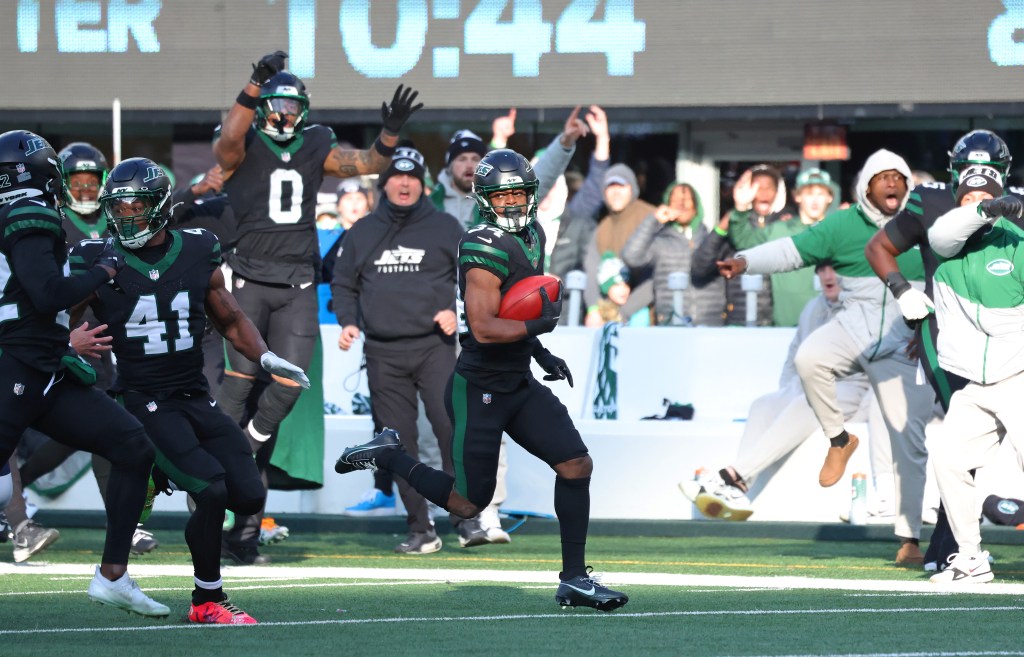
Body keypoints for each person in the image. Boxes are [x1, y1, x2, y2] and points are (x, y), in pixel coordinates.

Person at [334, 149, 629, 611]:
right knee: (469, 504)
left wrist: (541, 353)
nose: (512, 202)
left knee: (576, 465)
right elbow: (488, 326)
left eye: (519, 193)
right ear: (485, 198)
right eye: (503, 194)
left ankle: (574, 578)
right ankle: (390, 456)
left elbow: (520, 307)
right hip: (480, 387)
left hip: (518, 379)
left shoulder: (532, 232)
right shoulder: (480, 243)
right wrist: (539, 330)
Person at [69, 157, 309, 622]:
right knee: (211, 488)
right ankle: (206, 599)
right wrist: (67, 339)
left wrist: (264, 356)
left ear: (160, 207)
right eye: (117, 208)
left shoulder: (198, 248)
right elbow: (54, 313)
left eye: (135, 207)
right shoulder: (100, 258)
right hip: (142, 400)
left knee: (247, 494)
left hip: (194, 395)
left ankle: (154, 478)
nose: (125, 217)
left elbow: (231, 316)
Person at [212, 50, 421, 564]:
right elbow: (227, 144)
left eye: (291, 104)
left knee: (289, 383)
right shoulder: (247, 137)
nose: (283, 114)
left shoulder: (317, 141)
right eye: (275, 103)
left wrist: (389, 133)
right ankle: (220, 476)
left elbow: (370, 164)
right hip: (248, 279)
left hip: (297, 284)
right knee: (238, 386)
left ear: (304, 109)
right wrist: (253, 82)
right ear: (263, 105)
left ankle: (246, 450)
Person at [716, 149, 935, 566]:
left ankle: (909, 537)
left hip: (903, 338)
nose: (891, 182)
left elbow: (950, 278)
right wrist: (745, 262)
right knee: (810, 357)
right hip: (855, 323)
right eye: (881, 176)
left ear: (908, 185)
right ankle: (839, 440)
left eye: (898, 177)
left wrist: (931, 329)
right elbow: (791, 251)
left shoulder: (924, 220)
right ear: (865, 187)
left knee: (908, 438)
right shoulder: (843, 223)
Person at [0, 129, 167, 616]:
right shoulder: (28, 211)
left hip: (43, 362)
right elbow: (49, 293)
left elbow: (33, 297)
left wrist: (59, 340)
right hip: (17, 361)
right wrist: (104, 270)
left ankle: (113, 575)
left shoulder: (18, 212)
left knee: (133, 446)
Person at [863, 129, 1015, 570]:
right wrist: (903, 291)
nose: (975, 188)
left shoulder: (1017, 210)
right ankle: (958, 547)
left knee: (983, 451)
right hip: (952, 344)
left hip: (1009, 350)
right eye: (968, 176)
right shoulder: (931, 202)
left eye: (987, 178)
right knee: (960, 448)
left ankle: (956, 544)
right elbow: (886, 246)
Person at [331, 146, 465, 553]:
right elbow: (343, 284)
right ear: (384, 184)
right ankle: (420, 529)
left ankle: (466, 517)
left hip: (435, 348)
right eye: (395, 176)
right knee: (397, 442)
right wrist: (348, 320)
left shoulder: (445, 227)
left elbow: (474, 278)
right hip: (383, 353)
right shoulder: (362, 231)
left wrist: (456, 311)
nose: (403, 183)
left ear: (423, 183)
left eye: (412, 176)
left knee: (450, 430)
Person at [680, 264, 885, 519]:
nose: (828, 276)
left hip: (849, 389)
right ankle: (738, 492)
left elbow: (880, 368)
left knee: (807, 403)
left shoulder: (867, 310)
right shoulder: (812, 308)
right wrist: (786, 392)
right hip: (806, 388)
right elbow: (793, 357)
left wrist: (867, 411)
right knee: (762, 405)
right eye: (822, 270)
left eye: (835, 269)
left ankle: (732, 477)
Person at [924, 175, 1024, 583]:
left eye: (988, 195)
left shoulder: (1016, 240)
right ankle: (971, 557)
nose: (980, 203)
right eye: (969, 196)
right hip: (976, 385)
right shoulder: (944, 241)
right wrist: (984, 209)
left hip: (1019, 373)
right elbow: (944, 232)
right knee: (947, 457)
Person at [728, 169, 836, 326]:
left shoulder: (838, 231)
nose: (815, 200)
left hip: (828, 328)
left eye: (820, 194)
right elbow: (744, 240)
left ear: (829, 197)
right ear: (797, 196)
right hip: (783, 326)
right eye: (808, 193)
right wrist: (741, 206)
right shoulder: (778, 230)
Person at [691, 165, 788, 325]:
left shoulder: (786, 224)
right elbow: (699, 268)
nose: (763, 192)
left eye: (769, 187)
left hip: (778, 320)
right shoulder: (736, 224)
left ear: (777, 193)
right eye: (757, 187)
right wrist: (721, 229)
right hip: (739, 318)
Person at [621, 181, 724, 326]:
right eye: (675, 200)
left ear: (696, 207)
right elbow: (631, 256)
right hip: (671, 324)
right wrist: (653, 220)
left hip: (710, 323)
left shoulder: (711, 241)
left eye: (687, 200)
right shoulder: (659, 243)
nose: (681, 205)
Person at [583, 165, 656, 327]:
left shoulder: (650, 217)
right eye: (611, 187)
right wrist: (593, 310)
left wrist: (623, 312)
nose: (616, 192)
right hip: (612, 317)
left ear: (632, 189)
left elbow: (657, 275)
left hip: (649, 316)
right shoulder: (602, 228)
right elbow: (592, 270)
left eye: (621, 186)